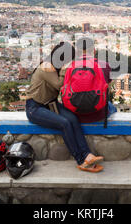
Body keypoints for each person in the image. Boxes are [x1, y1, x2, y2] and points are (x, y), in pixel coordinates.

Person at [25, 41, 104, 172]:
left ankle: (87, 155)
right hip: (35, 108)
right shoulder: (47, 66)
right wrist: (64, 70)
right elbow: (58, 85)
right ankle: (81, 160)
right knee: (64, 123)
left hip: (51, 104)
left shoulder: (55, 67)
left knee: (73, 119)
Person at [61, 37, 117, 124]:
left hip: (75, 114)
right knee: (112, 106)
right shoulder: (104, 65)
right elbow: (107, 91)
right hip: (98, 114)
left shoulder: (69, 67)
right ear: (94, 51)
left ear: (77, 52)